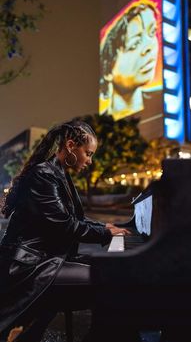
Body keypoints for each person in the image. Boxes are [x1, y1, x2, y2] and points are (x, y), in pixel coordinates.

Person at [0, 119, 130, 342]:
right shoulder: (44, 175)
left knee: (108, 268)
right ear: (71, 146)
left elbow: (73, 219)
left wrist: (104, 226)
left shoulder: (57, 173)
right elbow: (65, 225)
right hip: (28, 266)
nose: (90, 160)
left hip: (45, 259)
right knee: (111, 278)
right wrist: (106, 234)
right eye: (88, 153)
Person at [100, 1, 160, 121]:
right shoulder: (101, 126)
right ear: (108, 71)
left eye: (152, 32)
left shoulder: (163, 100)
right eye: (134, 44)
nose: (149, 46)